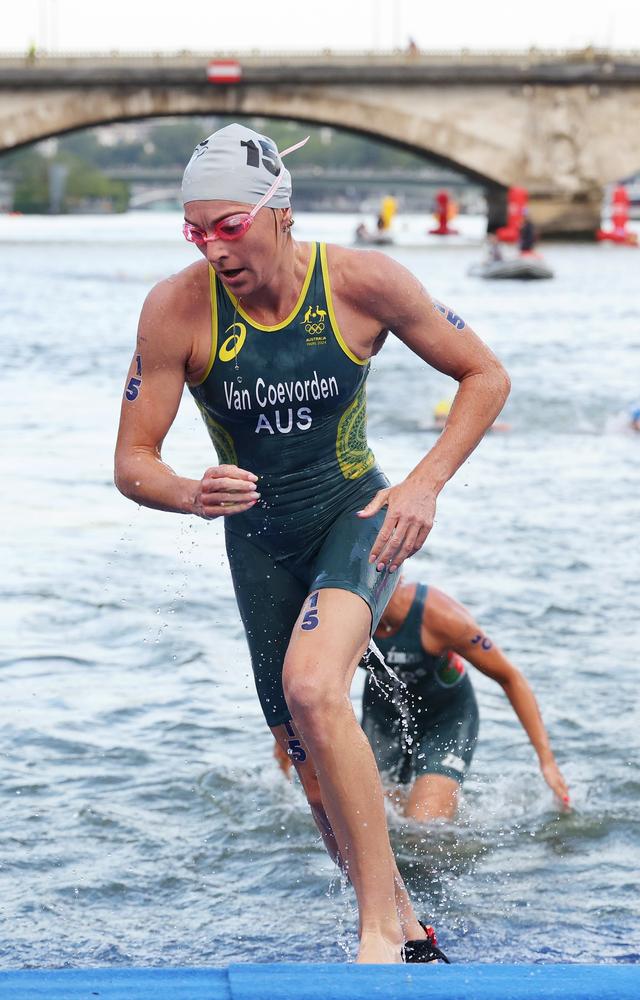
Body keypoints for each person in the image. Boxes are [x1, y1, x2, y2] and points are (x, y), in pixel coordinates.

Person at [114, 122, 510, 963]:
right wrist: (190, 491)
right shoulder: (175, 309)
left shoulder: (364, 281)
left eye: (228, 227)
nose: (213, 249)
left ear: (278, 213)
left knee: (312, 684)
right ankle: (404, 921)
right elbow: (131, 462)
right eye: (196, 230)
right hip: (255, 541)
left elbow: (486, 375)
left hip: (355, 517)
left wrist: (423, 483)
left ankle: (372, 935)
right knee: (304, 747)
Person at [359, 580, 569, 821]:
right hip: (383, 716)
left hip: (447, 718)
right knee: (375, 821)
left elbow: (510, 677)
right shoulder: (343, 619)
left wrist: (547, 761)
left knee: (423, 828)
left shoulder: (442, 617)